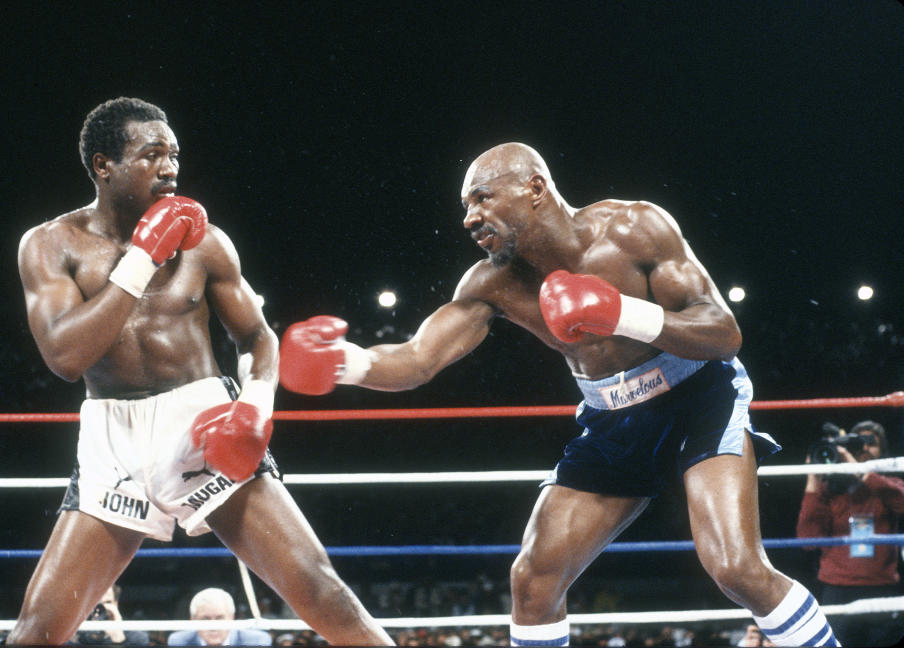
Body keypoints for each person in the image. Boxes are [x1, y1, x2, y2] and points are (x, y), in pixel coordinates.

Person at [279, 143, 839, 647]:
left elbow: (722, 333)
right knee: (533, 579)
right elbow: (419, 359)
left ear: (535, 188)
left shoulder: (635, 228)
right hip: (612, 421)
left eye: (481, 198)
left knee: (736, 568)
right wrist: (344, 363)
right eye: (465, 207)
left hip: (697, 395)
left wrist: (620, 313)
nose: (469, 217)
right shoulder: (492, 281)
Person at [8, 97, 392, 646]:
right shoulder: (49, 245)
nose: (170, 168)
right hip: (112, 440)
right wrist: (141, 259)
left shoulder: (206, 243)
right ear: (102, 165)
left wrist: (254, 408)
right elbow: (65, 358)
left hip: (201, 424)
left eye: (174, 155)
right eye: (151, 154)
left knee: (323, 593)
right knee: (37, 632)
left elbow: (258, 338)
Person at [797, 420, 904, 647]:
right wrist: (813, 476)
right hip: (838, 589)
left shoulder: (890, 485)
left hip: (881, 587)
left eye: (870, 443)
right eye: (858, 443)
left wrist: (858, 470)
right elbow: (808, 539)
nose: (864, 448)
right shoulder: (830, 492)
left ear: (882, 452)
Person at [167, 587, 272, 646]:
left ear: (232, 618)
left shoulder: (257, 641)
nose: (213, 626)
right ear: (192, 620)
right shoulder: (178, 641)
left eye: (219, 618)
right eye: (205, 619)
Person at [73, 585, 149, 645]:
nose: (102, 608)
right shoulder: (74, 638)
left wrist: (118, 638)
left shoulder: (137, 638)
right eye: (95, 604)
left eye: (107, 602)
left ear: (116, 603)